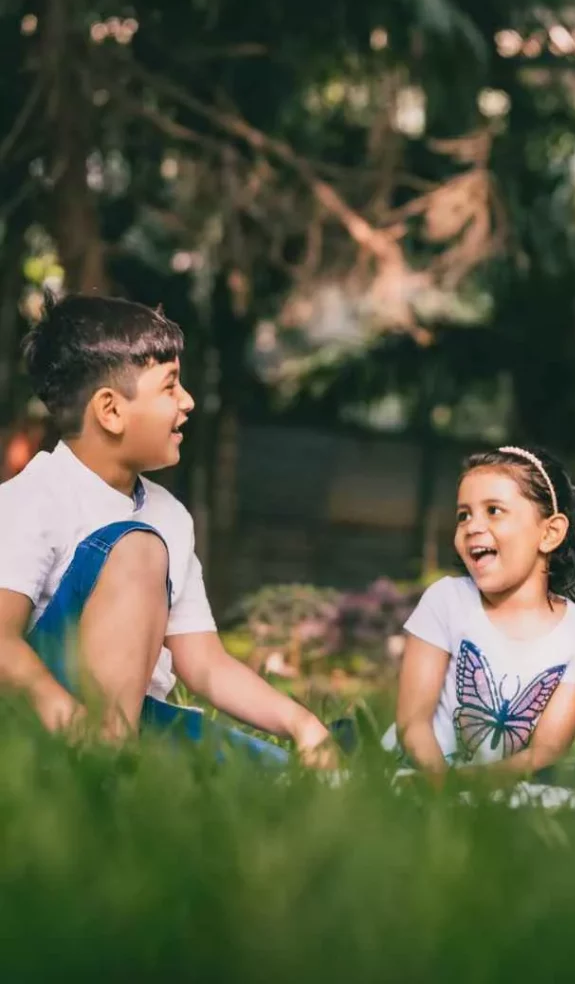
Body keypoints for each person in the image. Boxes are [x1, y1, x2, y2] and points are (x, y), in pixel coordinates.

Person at [0, 290, 335, 767]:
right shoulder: (31, 498)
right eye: (170, 386)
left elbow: (204, 663)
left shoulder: (168, 515)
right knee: (136, 549)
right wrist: (68, 720)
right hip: (35, 719)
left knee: (283, 781)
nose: (189, 401)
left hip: (140, 719)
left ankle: (121, 758)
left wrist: (304, 724)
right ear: (111, 411)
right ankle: (102, 772)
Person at [385, 445, 575, 779]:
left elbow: (545, 752)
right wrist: (439, 786)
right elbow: (413, 723)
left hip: (495, 784)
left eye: (494, 510)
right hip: (412, 768)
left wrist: (469, 786)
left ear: (549, 533)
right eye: (464, 515)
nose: (472, 526)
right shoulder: (447, 600)